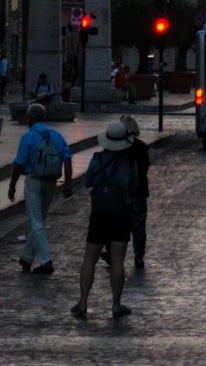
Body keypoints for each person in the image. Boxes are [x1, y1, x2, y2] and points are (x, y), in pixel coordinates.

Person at [71, 121, 139, 319]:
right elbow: (134, 186)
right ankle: (116, 305)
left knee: (89, 259)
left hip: (99, 214)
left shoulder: (97, 159)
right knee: (117, 260)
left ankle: (83, 302)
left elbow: (88, 182)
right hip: (121, 214)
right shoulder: (130, 162)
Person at [7, 102, 73, 273]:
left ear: (29, 118)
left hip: (34, 181)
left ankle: (46, 261)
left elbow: (19, 163)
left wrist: (12, 185)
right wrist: (68, 183)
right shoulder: (56, 135)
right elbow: (67, 158)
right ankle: (27, 258)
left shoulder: (28, 136)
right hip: (51, 181)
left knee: (36, 222)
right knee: (39, 220)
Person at [121, 116, 150, 268]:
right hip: (140, 191)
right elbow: (146, 167)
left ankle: (114, 253)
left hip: (122, 192)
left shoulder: (120, 147)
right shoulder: (142, 147)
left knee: (119, 222)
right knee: (139, 225)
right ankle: (139, 256)